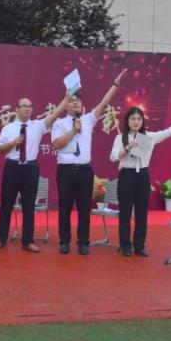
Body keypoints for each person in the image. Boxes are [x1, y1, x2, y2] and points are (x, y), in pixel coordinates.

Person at [51, 69, 127, 255]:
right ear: (66, 105)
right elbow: (56, 145)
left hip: (85, 171)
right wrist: (73, 132)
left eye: (78, 101)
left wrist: (115, 84)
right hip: (65, 171)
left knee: (84, 208)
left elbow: (104, 103)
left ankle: (83, 242)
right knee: (65, 207)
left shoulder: (88, 119)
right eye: (72, 101)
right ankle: (64, 241)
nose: (75, 104)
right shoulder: (59, 124)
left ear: (82, 105)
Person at [110, 106, 171, 257]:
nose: (136, 122)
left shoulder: (148, 136)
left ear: (142, 121)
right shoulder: (121, 138)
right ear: (127, 121)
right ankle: (125, 245)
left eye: (139, 119)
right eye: (133, 119)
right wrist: (127, 147)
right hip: (126, 176)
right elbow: (113, 157)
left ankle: (139, 246)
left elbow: (170, 132)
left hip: (142, 176)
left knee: (142, 212)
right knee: (125, 212)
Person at [0, 95, 69, 253]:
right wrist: (13, 142)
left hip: (30, 168)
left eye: (30, 106)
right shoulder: (8, 128)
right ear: (16, 109)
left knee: (29, 205)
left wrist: (67, 98)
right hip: (12, 167)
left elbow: (55, 114)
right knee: (6, 204)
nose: (28, 109)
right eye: (24, 106)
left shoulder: (38, 125)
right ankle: (0, 238)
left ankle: (27, 240)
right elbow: (0, 149)